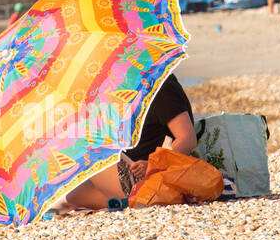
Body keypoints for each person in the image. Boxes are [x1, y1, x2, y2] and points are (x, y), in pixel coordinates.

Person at [56, 73, 196, 211]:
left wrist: (152, 165)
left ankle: (139, 199)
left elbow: (187, 139)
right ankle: (64, 202)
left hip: (146, 179)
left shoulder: (160, 86)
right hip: (135, 173)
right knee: (71, 196)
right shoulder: (129, 86)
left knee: (85, 145)